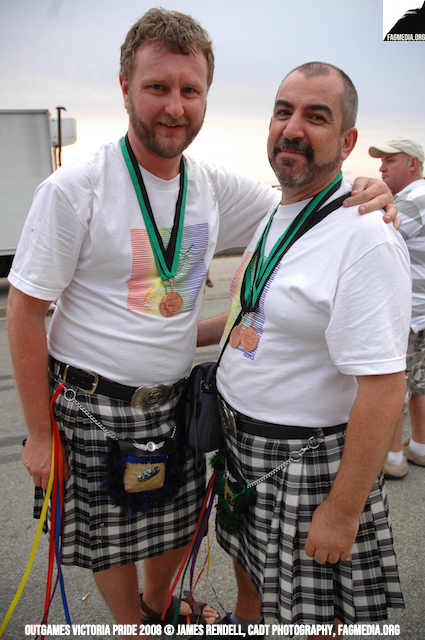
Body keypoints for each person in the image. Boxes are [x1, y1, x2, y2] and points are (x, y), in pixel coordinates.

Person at [7, 8, 396, 638]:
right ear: (125, 88)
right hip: (90, 404)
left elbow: (301, 201)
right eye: (157, 86)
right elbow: (24, 310)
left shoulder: (214, 187)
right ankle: (131, 626)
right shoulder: (75, 189)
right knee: (112, 542)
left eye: (191, 90)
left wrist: (369, 190)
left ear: (207, 96)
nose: (175, 106)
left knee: (178, 524)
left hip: (176, 404)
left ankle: (158, 607)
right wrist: (36, 434)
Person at [198, 62, 411, 640]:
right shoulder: (278, 211)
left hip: (306, 462)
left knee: (313, 613)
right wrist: (167, 335)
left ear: (347, 141)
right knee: (249, 575)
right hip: (241, 445)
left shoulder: (365, 236)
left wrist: (341, 513)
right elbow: (253, 313)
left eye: (316, 117)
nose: (292, 128)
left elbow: (385, 388)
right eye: (283, 111)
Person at [369, 137, 425, 478]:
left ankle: (391, 459)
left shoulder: (412, 201)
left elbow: (375, 238)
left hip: (409, 313)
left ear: (413, 164)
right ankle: (419, 446)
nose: (381, 168)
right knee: (420, 382)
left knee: (392, 384)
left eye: (390, 160)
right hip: (423, 313)